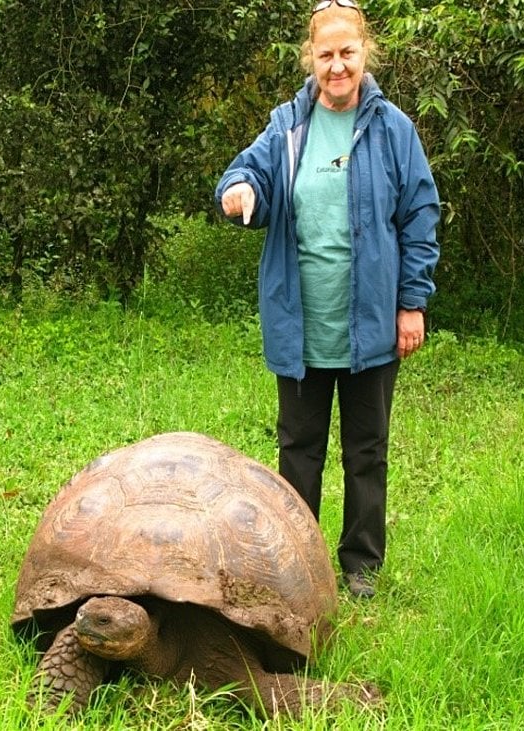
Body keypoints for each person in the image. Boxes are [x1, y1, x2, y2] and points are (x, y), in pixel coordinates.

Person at [215, 0, 440, 598]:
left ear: (365, 54)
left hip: (370, 326)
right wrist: (239, 191)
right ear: (310, 59)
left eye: (347, 53)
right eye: (326, 55)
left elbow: (420, 214)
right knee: (300, 453)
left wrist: (411, 303)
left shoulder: (393, 128)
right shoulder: (287, 124)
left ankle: (361, 568)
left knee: (366, 451)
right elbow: (248, 173)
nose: (337, 66)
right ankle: (301, 564)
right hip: (302, 326)